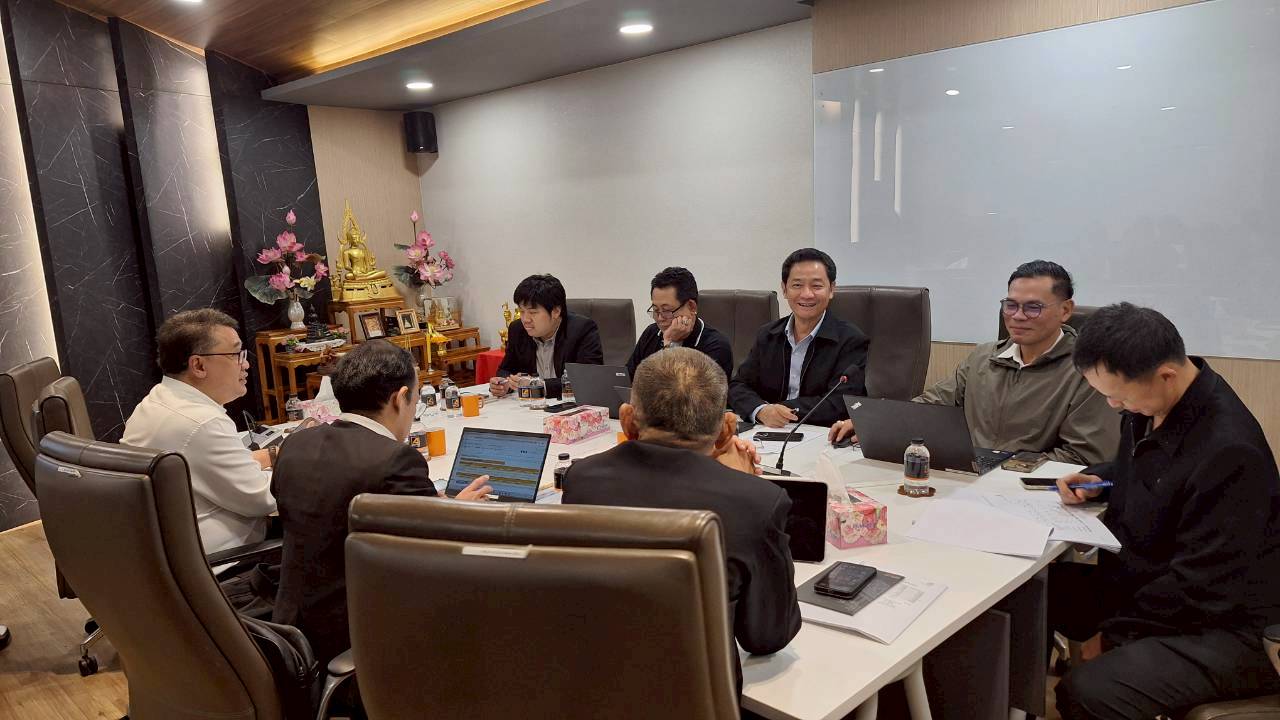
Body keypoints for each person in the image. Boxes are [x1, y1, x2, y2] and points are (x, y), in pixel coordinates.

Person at [1051, 303, 1280, 719]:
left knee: (1088, 691)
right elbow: (1156, 470)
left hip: (1229, 624)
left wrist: (1115, 633)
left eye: (1119, 395)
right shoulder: (1155, 404)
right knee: (1037, 593)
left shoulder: (1229, 451)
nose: (1113, 405)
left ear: (1166, 374)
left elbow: (1203, 585)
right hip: (1147, 577)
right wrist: (1101, 478)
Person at [563, 348, 802, 694]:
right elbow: (768, 636)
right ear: (727, 430)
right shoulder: (757, 502)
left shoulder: (581, 479)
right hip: (696, 700)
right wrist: (740, 484)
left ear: (628, 421)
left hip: (588, 689)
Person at [271, 340, 491, 664]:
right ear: (400, 398)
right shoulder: (395, 459)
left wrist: (431, 502)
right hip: (359, 629)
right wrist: (458, 511)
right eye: (416, 399)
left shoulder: (297, 443)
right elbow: (433, 548)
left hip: (289, 626)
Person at [828, 260, 1119, 466]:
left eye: (1033, 307)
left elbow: (1084, 457)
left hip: (1032, 494)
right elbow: (931, 404)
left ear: (1065, 310)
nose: (1018, 316)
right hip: (965, 479)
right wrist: (873, 424)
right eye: (1011, 305)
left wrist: (1001, 467)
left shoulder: (1088, 372)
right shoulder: (983, 358)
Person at [123, 309, 275, 555]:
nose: (246, 364)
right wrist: (305, 466)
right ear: (199, 365)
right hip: (226, 561)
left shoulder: (158, 399)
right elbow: (263, 499)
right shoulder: (203, 422)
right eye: (236, 354)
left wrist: (273, 456)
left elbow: (207, 465)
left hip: (165, 554)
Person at [729, 248, 869, 428]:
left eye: (816, 286)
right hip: (767, 431)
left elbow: (842, 402)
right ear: (784, 289)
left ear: (831, 289)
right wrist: (761, 410)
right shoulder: (768, 335)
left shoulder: (851, 340)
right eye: (797, 285)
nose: (807, 294)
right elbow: (738, 386)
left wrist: (782, 410)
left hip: (822, 435)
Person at [489, 274, 603, 398]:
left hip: (569, 403)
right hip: (530, 404)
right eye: (521, 311)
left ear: (556, 311)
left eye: (533, 312)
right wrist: (504, 384)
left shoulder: (582, 330)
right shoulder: (517, 329)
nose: (525, 319)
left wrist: (539, 386)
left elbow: (587, 379)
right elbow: (506, 369)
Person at [626, 266, 733, 378]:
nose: (660, 318)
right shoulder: (651, 333)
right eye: (656, 310)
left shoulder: (716, 346)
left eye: (667, 310)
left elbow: (675, 387)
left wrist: (671, 344)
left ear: (691, 307)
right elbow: (627, 379)